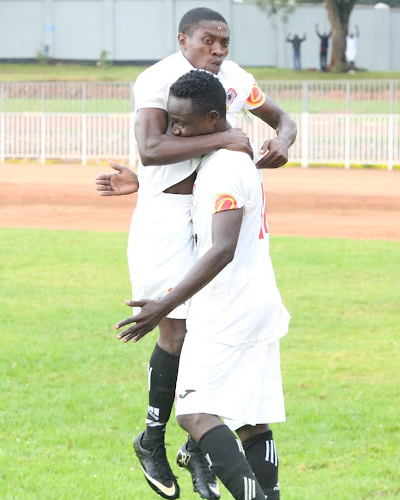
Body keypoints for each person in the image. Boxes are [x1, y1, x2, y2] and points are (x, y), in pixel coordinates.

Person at [98, 7, 296, 500]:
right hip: (167, 219)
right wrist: (226, 137)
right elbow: (150, 147)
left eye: (225, 42)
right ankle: (153, 440)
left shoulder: (233, 79)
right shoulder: (159, 79)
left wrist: (284, 140)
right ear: (183, 38)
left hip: (209, 218)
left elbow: (281, 119)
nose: (219, 51)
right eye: (209, 41)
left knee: (205, 331)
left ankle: (201, 449)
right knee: (177, 328)